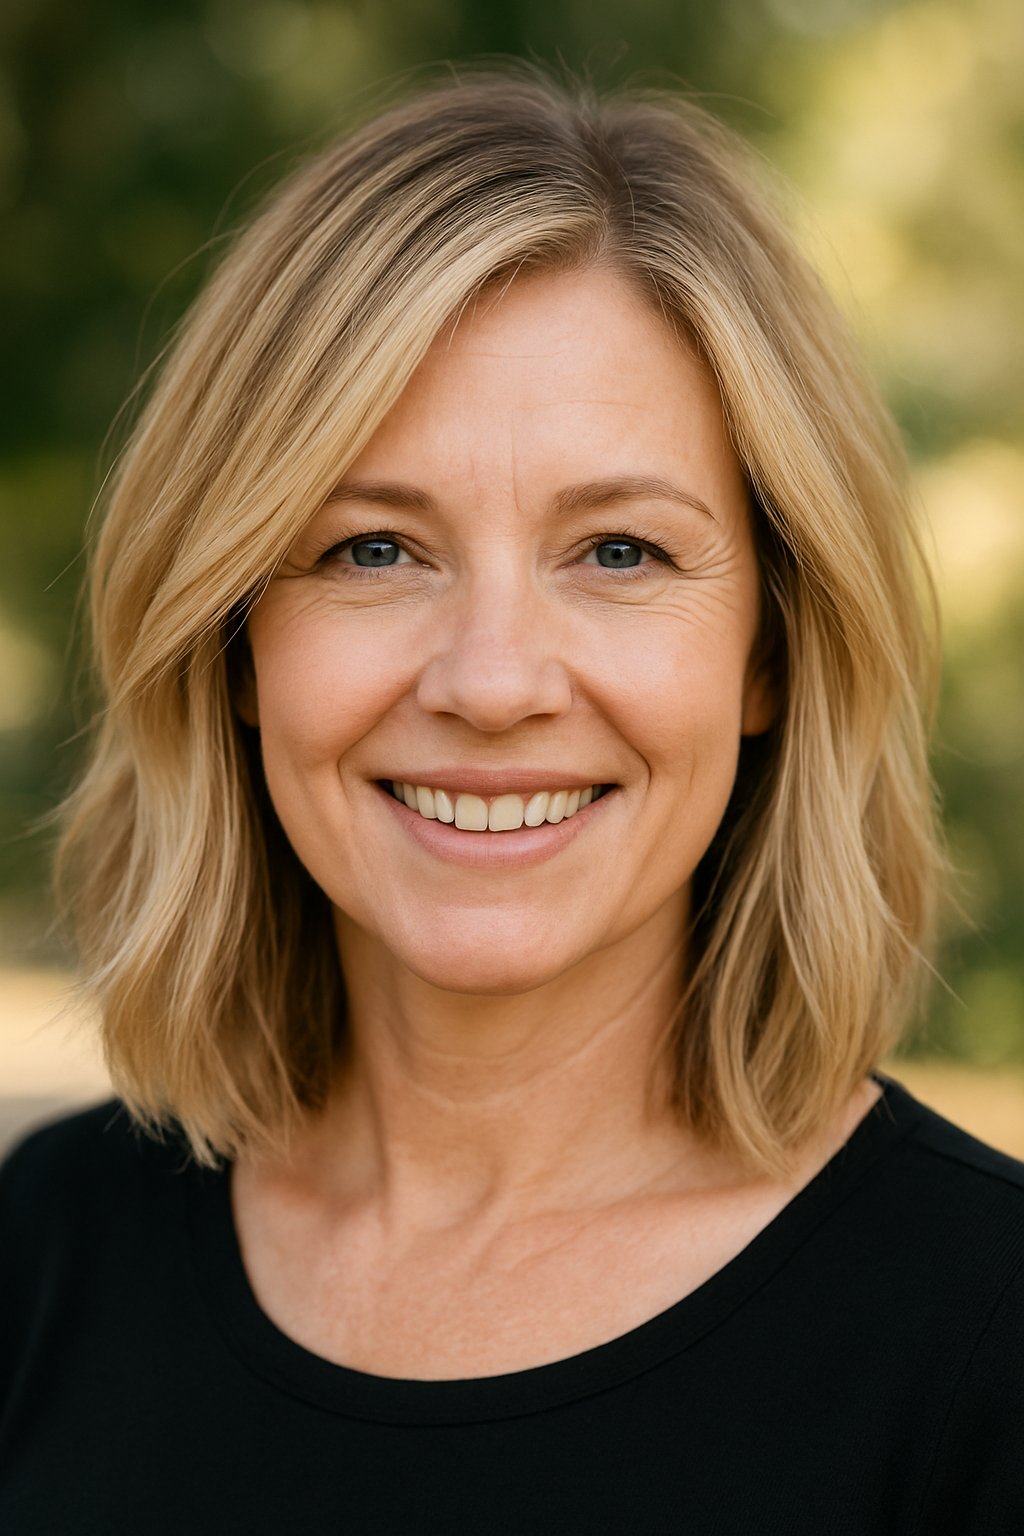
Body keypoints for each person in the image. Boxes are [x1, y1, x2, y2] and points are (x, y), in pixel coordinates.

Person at [1, 66, 1021, 1535]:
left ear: (772, 652)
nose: (490, 683)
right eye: (372, 550)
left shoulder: (985, 1337)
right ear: (233, 641)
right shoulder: (47, 1248)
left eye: (619, 552)